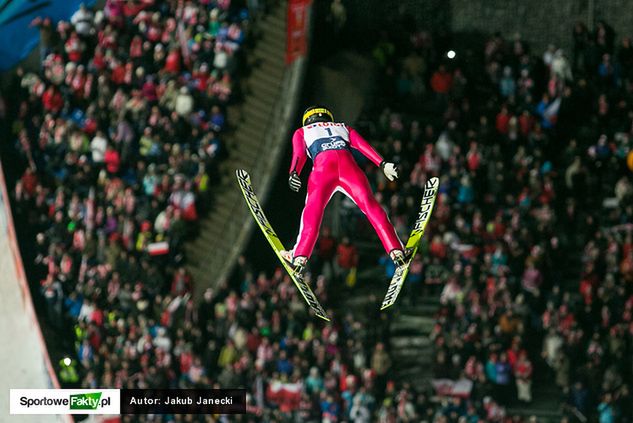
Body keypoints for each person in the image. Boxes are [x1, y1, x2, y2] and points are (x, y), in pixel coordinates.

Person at [281, 106, 405, 275]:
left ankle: (300, 257)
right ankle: (396, 250)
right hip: (350, 170)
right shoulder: (343, 126)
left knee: (312, 211)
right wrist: (382, 164)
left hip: (322, 171)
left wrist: (293, 172)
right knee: (371, 207)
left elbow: (298, 153)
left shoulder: (302, 131)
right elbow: (363, 146)